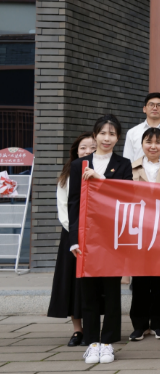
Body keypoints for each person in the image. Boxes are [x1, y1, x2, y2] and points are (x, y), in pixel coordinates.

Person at [69, 115, 133, 365]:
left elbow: (126, 196)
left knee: (112, 291)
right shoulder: (80, 164)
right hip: (87, 237)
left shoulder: (123, 164)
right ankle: (92, 342)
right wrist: (74, 239)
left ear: (118, 138)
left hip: (112, 236)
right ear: (95, 135)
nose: (107, 138)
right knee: (89, 292)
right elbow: (73, 203)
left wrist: (101, 180)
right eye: (103, 133)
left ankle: (108, 343)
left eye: (112, 134)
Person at [129, 127, 160, 341]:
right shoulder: (130, 168)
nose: (153, 146)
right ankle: (139, 325)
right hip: (138, 230)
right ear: (142, 144)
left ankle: (159, 324)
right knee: (139, 279)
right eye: (148, 142)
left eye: (158, 142)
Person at [47, 132, 96, 347]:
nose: (87, 151)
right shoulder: (66, 175)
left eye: (92, 147)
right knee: (72, 283)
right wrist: (78, 233)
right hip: (73, 236)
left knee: (92, 284)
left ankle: (94, 328)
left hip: (97, 236)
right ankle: (77, 330)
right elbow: (64, 210)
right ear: (76, 150)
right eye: (83, 147)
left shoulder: (101, 171)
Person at [123, 92, 160, 161]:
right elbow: (127, 160)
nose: (155, 108)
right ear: (144, 109)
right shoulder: (132, 132)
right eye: (151, 104)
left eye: (159, 105)